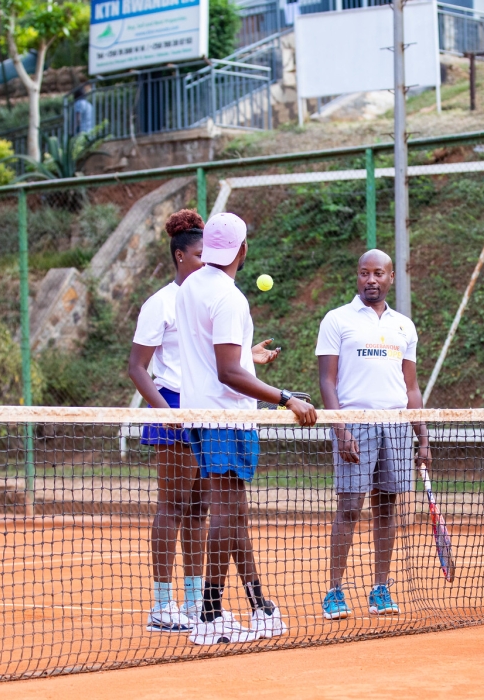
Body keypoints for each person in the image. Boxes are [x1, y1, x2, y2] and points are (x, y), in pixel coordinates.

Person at [127, 209, 282, 633]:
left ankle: (197, 602)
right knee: (176, 506)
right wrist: (167, 411)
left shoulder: (200, 291)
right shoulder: (165, 301)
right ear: (181, 256)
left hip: (206, 401)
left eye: (206, 252)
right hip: (179, 404)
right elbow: (138, 367)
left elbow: (212, 354)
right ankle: (166, 604)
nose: (202, 260)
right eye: (197, 254)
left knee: (201, 509)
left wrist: (248, 357)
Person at [176, 211, 318, 645]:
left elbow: (219, 356)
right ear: (242, 251)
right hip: (226, 413)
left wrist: (246, 356)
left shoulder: (190, 287)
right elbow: (226, 372)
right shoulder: (229, 298)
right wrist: (285, 396)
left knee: (232, 510)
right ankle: (210, 613)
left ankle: (260, 606)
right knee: (226, 511)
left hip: (200, 412)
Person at [316, 249, 431, 620]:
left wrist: (423, 437)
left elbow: (411, 387)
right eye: (364, 273)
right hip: (354, 423)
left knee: (387, 507)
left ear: (390, 277)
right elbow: (327, 380)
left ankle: (380, 588)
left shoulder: (404, 326)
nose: (371, 280)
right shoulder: (337, 320)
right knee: (349, 506)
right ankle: (334, 591)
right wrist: (341, 427)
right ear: (357, 276)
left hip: (397, 425)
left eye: (378, 273)